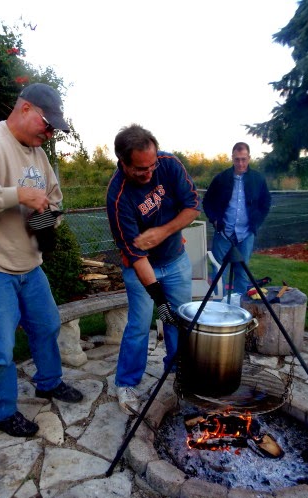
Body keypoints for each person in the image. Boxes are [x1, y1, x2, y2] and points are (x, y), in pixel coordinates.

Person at [0, 83, 83, 438]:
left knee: (48, 324)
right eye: (46, 123)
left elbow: (52, 198)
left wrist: (45, 219)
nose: (50, 132)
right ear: (24, 109)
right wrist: (16, 194)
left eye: (55, 127)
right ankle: (3, 413)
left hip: (27, 262)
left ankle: (48, 383)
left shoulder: (38, 154)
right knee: (0, 345)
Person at [107, 124, 200, 415]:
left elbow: (192, 206)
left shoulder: (168, 164)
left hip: (175, 261)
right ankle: (126, 383)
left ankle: (178, 373)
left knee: (179, 320)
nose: (149, 173)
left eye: (152, 165)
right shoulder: (118, 197)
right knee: (139, 325)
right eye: (140, 169)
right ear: (123, 162)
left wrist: (162, 232)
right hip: (141, 269)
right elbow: (137, 257)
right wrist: (160, 302)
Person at [202, 142, 271, 295]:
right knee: (219, 270)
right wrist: (214, 219)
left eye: (244, 159)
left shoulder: (258, 179)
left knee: (242, 271)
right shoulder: (221, 178)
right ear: (232, 158)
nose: (240, 163)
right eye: (237, 159)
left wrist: (256, 222)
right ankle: (218, 307)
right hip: (223, 233)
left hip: (246, 234)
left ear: (249, 158)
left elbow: (266, 203)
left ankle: (239, 307)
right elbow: (207, 201)